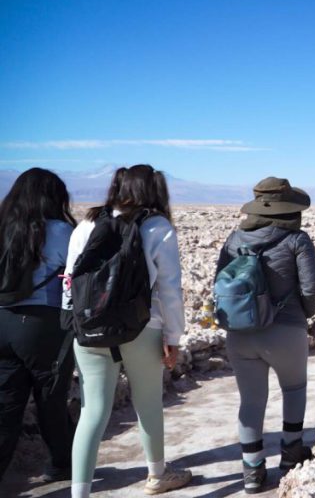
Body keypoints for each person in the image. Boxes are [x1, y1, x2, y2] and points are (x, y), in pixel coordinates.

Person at [63, 165, 191, 497]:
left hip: (89, 330)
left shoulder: (88, 223)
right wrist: (173, 338)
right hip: (142, 330)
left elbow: (70, 279)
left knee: (93, 412)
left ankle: (79, 494)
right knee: (148, 403)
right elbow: (169, 290)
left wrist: (73, 324)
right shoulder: (158, 226)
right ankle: (157, 476)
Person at [216, 177, 315, 494]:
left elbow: (220, 283)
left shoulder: (234, 239)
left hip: (240, 334)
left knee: (251, 400)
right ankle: (291, 457)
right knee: (294, 389)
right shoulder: (297, 240)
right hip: (285, 331)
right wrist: (303, 312)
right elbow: (313, 285)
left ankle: (251, 472)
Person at [0, 169, 76, 483]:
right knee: (51, 399)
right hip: (42, 324)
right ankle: (62, 465)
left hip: (2, 322)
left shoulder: (3, 227)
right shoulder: (60, 231)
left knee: (6, 403)